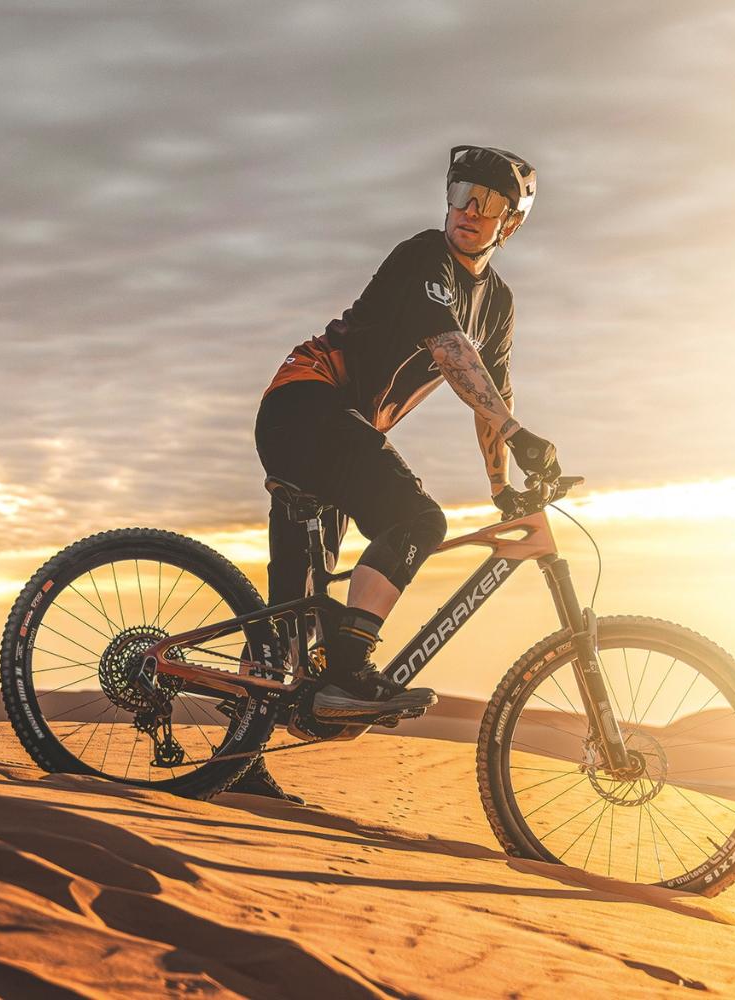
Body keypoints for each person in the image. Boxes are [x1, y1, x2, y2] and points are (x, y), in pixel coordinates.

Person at [229, 146, 560, 804]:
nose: (470, 209)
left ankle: (240, 758)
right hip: (308, 403)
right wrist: (518, 438)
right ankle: (350, 672)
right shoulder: (423, 258)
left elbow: (494, 393)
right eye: (463, 191)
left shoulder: (497, 303)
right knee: (417, 521)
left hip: (336, 430)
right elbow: (452, 351)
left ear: (510, 223)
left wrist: (502, 486)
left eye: (489, 202)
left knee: (291, 618)